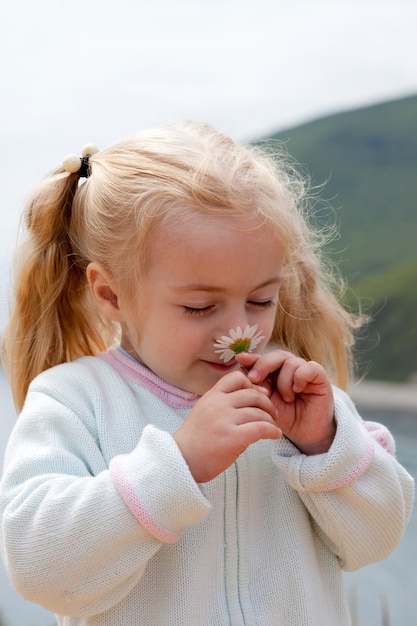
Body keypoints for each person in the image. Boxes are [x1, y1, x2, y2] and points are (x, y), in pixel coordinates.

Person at [0, 121, 414, 626]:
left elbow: (378, 540)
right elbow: (38, 569)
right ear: (109, 294)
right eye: (200, 307)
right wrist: (178, 465)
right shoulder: (74, 401)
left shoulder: (296, 398)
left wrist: (326, 445)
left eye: (261, 300)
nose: (240, 331)